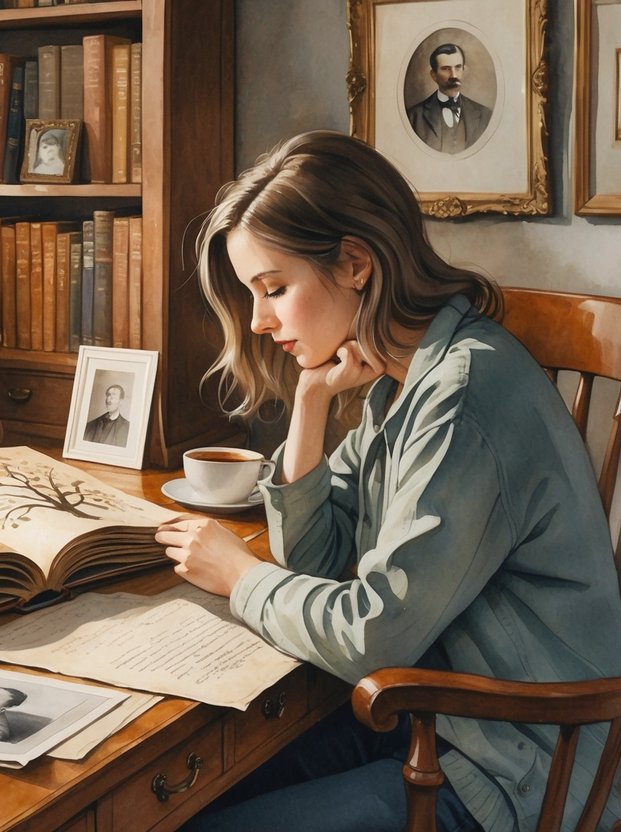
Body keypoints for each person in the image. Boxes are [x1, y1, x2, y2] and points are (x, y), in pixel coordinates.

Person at [156, 130, 621, 832]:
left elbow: (373, 635)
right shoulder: (400, 382)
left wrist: (237, 577)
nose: (257, 320)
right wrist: (310, 403)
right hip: (438, 715)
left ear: (354, 264)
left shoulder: (461, 396)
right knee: (185, 802)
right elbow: (312, 559)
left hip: (518, 761)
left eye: (274, 289)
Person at [406, 42, 492, 153]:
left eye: (458, 67)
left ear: (463, 70)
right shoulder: (414, 117)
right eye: (446, 69)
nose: (454, 75)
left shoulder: (485, 115)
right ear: (434, 75)